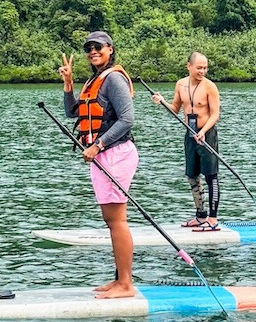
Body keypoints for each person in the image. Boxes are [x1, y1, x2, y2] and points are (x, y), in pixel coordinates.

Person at [58, 30, 139, 298]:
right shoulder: (94, 80)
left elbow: (127, 119)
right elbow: (73, 112)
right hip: (102, 155)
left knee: (117, 220)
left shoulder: (114, 79)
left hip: (115, 153)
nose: (93, 51)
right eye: (89, 48)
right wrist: (68, 83)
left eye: (98, 47)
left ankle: (126, 284)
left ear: (110, 49)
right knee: (111, 219)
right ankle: (119, 280)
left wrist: (98, 145)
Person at [152, 52, 221, 231]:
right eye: (199, 68)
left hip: (207, 134)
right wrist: (162, 102)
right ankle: (200, 215)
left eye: (205, 68)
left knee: (210, 175)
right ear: (188, 66)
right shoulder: (181, 84)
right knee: (192, 175)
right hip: (189, 134)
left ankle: (213, 219)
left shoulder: (210, 87)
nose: (202, 71)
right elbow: (175, 108)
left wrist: (204, 131)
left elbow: (215, 114)